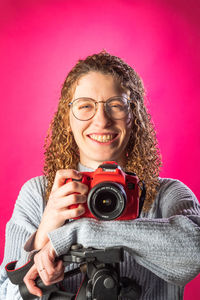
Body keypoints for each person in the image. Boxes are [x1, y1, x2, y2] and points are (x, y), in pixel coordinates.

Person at [0, 51, 200, 300]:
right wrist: (43, 235)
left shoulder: (168, 194)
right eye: (85, 106)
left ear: (133, 117)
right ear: (67, 118)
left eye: (115, 105)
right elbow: (6, 294)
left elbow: (195, 253)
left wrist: (77, 233)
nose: (101, 120)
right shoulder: (39, 195)